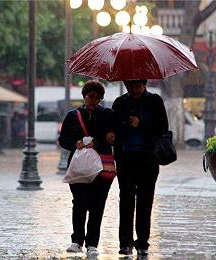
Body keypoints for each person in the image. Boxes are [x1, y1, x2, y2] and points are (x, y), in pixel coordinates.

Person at [58, 80, 116, 258]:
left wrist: (100, 140)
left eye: (98, 97)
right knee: (80, 202)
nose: (94, 100)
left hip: (101, 168)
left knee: (97, 205)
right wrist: (75, 143)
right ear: (84, 96)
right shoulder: (72, 116)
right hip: (78, 168)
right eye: (91, 96)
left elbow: (113, 136)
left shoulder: (107, 115)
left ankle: (92, 243)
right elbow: (63, 139)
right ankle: (77, 241)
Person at [112, 80, 169, 257]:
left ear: (144, 84)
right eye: (130, 86)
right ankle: (125, 242)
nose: (133, 90)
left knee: (145, 201)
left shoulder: (154, 101)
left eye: (137, 86)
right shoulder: (120, 103)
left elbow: (162, 129)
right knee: (126, 201)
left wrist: (141, 123)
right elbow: (114, 127)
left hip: (148, 160)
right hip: (125, 160)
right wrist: (121, 127)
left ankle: (142, 242)